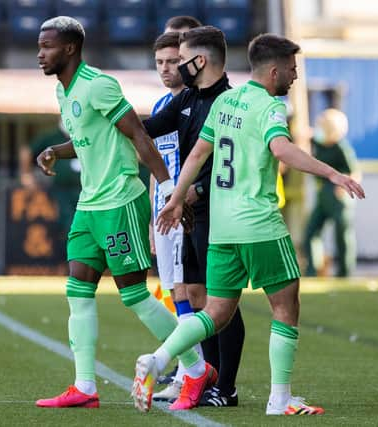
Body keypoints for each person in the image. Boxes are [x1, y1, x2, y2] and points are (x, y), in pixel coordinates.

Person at [132, 33, 365, 415]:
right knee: (286, 307)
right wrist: (332, 173)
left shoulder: (225, 101)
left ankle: (157, 360)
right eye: (292, 69)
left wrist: (174, 199)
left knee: (215, 312)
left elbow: (195, 156)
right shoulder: (270, 106)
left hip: (221, 230)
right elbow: (281, 148)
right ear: (274, 71)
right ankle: (280, 399)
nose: (294, 76)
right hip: (259, 224)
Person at [33, 16, 195, 409]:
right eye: (39, 46)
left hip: (121, 199)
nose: (40, 54)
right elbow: (89, 138)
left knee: (135, 295)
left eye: (47, 46)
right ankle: (85, 386)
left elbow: (137, 133)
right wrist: (57, 150)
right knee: (77, 291)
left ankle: (194, 367)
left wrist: (170, 185)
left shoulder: (99, 85)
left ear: (70, 49)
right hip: (90, 205)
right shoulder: (63, 91)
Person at [142, 26, 245, 409]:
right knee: (198, 296)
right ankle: (207, 376)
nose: (175, 67)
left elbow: (220, 164)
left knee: (222, 302)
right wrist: (110, 117)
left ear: (199, 61)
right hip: (190, 214)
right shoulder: (186, 100)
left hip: (218, 215)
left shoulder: (229, 104)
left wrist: (190, 194)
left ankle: (227, 387)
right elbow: (149, 128)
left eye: (181, 59)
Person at [147, 31, 206, 404]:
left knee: (189, 291)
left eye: (172, 61)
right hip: (163, 213)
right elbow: (155, 165)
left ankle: (193, 374)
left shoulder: (195, 106)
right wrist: (153, 219)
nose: (166, 69)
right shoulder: (158, 107)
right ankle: (189, 371)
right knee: (173, 291)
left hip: (187, 210)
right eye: (159, 63)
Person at [303, 108, 360, 277]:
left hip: (338, 198)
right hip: (322, 197)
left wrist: (344, 187)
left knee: (342, 236)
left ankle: (345, 272)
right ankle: (312, 270)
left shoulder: (341, 148)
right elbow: (304, 135)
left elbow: (355, 172)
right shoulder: (318, 142)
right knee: (311, 232)